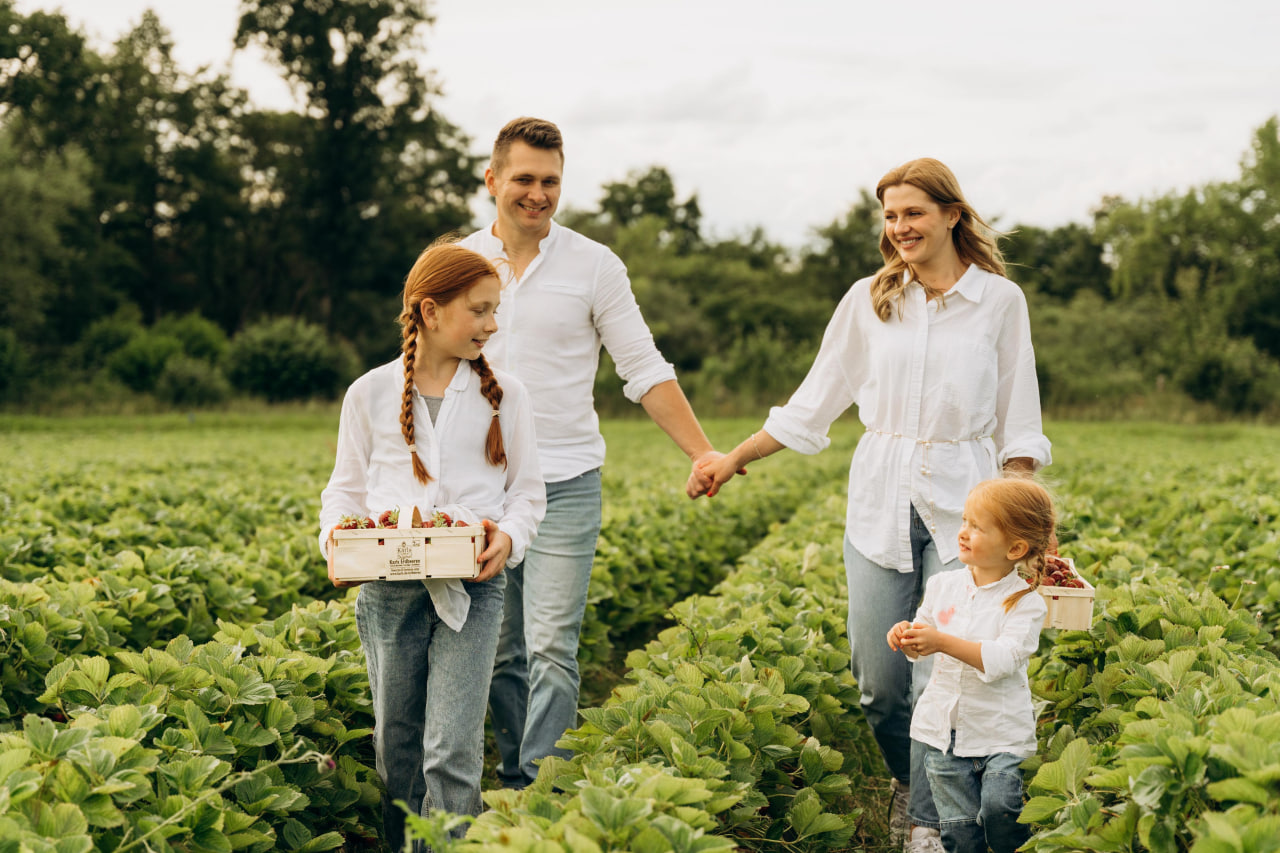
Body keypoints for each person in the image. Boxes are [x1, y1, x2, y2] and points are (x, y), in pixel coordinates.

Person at [696, 157, 1052, 853]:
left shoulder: (999, 303)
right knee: (880, 683)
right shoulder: (870, 299)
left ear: (952, 213)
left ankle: (928, 818)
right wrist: (735, 456)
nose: (900, 226)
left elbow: (1019, 419)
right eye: (890, 215)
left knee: (943, 672)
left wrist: (1024, 522)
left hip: (968, 502)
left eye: (913, 212)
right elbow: (815, 399)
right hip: (880, 499)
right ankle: (911, 778)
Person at [458, 116, 726, 789]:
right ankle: (511, 764)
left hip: (564, 480)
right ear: (492, 180)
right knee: (498, 649)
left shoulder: (594, 265)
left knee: (552, 643)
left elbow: (643, 367)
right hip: (477, 487)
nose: (538, 194)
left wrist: (701, 451)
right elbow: (423, 369)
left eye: (551, 181)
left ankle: (537, 789)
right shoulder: (458, 264)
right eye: (523, 178)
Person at [318, 241, 546, 849]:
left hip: (474, 587)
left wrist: (510, 537)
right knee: (397, 744)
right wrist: (336, 543)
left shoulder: (509, 397)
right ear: (429, 311)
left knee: (450, 749)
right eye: (479, 310)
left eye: (495, 310)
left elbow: (527, 493)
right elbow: (343, 491)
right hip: (389, 588)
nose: (492, 325)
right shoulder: (368, 393)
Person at [887, 477, 1052, 853]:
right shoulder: (944, 585)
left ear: (1015, 548)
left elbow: (1003, 659)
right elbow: (922, 641)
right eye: (964, 521)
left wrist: (942, 641)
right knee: (959, 831)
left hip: (1000, 732)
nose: (963, 532)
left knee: (1000, 810)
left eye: (977, 527)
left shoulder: (1024, 602)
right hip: (945, 732)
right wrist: (907, 637)